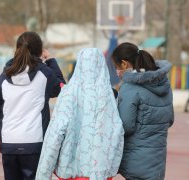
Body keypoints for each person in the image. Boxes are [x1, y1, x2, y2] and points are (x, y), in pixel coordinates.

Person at [36, 48, 124, 180]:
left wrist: (43, 173)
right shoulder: (110, 96)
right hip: (99, 171)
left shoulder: (67, 93)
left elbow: (55, 133)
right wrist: (112, 166)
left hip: (69, 169)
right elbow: (117, 133)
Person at [0, 31, 65, 180]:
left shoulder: (5, 76)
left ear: (17, 50)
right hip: (34, 141)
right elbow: (61, 89)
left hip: (9, 141)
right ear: (39, 51)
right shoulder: (45, 74)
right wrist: (50, 60)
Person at [112, 42, 174, 180]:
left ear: (124, 64)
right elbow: (170, 120)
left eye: (116, 67)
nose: (116, 71)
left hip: (136, 161)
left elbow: (126, 126)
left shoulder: (130, 88)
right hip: (157, 163)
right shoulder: (164, 84)